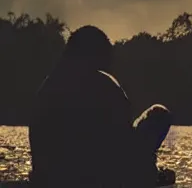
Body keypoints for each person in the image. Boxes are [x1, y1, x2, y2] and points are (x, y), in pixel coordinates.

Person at [28, 25, 175, 188]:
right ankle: (149, 175)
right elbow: (123, 140)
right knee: (160, 115)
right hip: (98, 179)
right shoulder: (105, 86)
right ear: (95, 57)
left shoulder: (47, 87)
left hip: (47, 179)